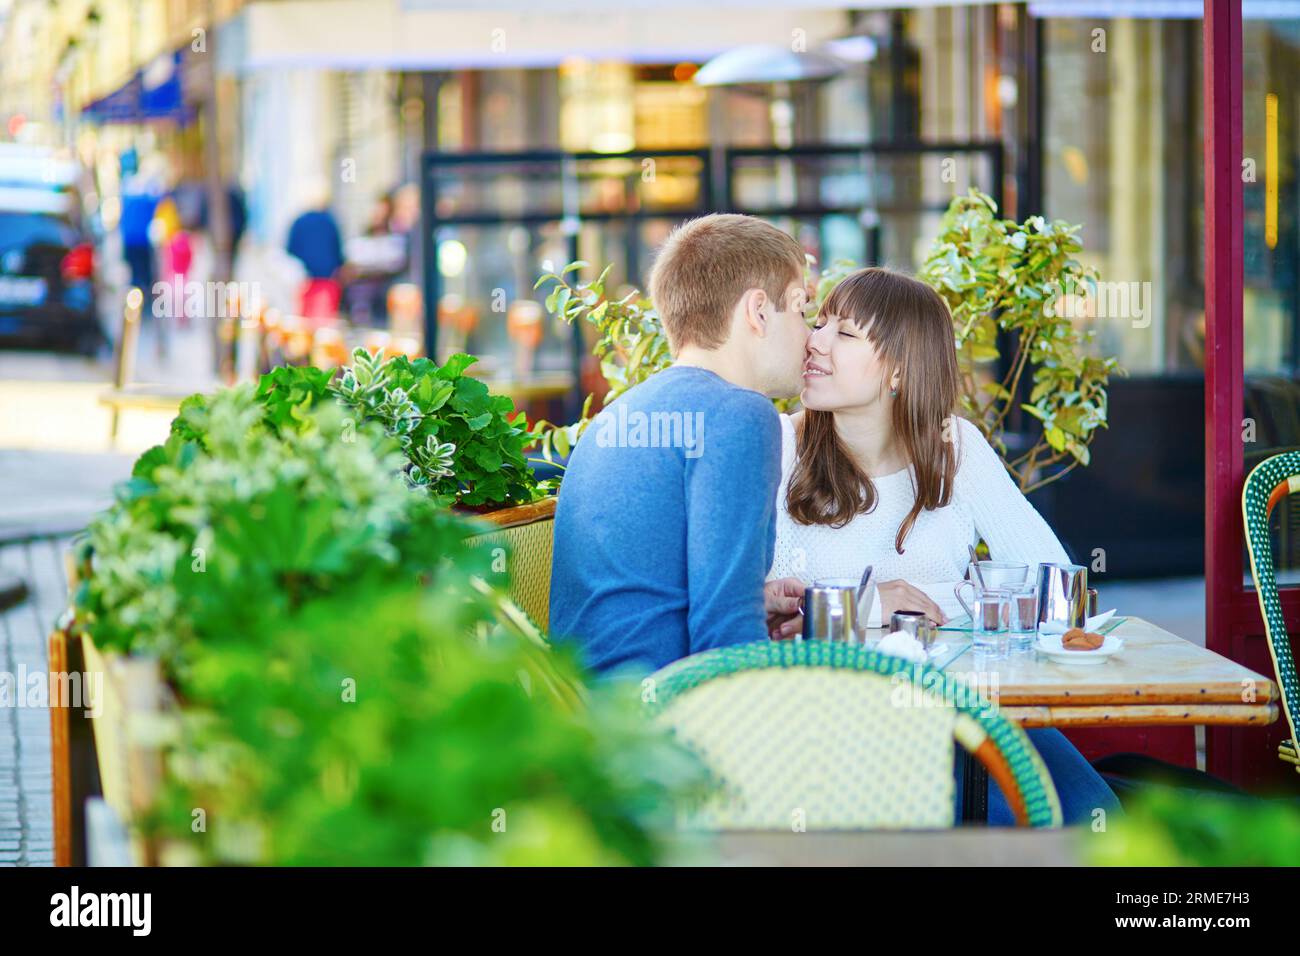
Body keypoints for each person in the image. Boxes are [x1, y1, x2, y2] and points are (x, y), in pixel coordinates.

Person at [767, 265, 1121, 825]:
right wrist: (870, 602)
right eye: (821, 322)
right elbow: (766, 612)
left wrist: (953, 597)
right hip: (837, 721)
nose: (815, 340)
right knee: (961, 826)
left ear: (900, 371)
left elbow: (1056, 580)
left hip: (968, 705)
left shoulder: (956, 446)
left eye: (845, 333)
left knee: (1091, 815)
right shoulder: (780, 446)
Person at [549, 214, 810, 675]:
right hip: (664, 726)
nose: (809, 337)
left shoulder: (613, 419)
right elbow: (726, 644)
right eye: (802, 309)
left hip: (589, 723)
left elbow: (638, 595)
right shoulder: (741, 415)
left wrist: (751, 602)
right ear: (759, 312)